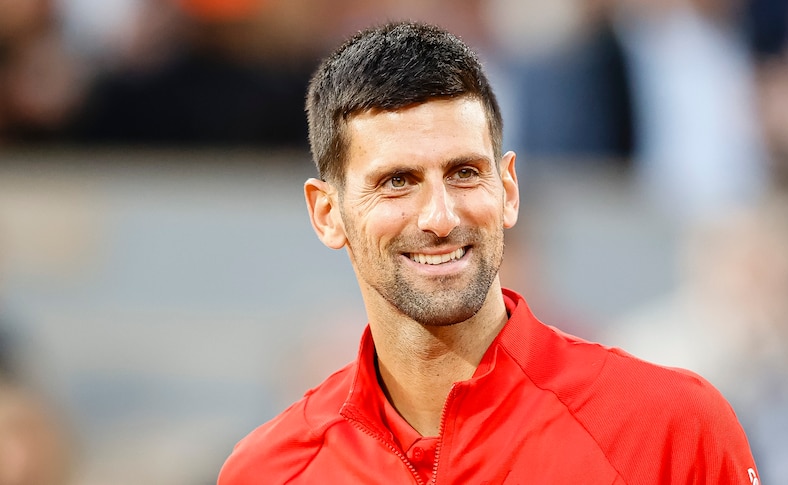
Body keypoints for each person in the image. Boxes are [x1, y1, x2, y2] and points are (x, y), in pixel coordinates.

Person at [218, 21, 759, 484]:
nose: (440, 216)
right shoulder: (268, 470)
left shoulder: (668, 427)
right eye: (397, 181)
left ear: (509, 189)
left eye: (464, 173)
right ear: (326, 213)